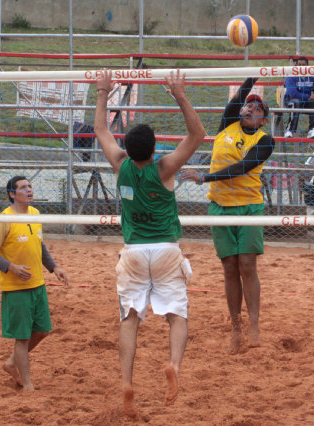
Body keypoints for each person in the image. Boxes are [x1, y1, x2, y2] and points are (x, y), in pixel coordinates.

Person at [94, 69, 205, 419]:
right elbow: (198, 134)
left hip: (134, 252)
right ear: (155, 148)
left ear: (127, 147)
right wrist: (180, 95)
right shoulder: (165, 168)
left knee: (129, 318)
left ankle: (127, 382)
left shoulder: (119, 164)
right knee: (177, 316)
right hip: (167, 250)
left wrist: (102, 92)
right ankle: (173, 364)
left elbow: (100, 129)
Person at [180, 78, 274, 355]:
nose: (250, 109)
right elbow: (237, 100)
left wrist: (204, 177)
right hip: (220, 206)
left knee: (247, 264)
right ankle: (236, 326)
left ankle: (254, 324)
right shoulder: (227, 125)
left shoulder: (264, 140)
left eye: (258, 109)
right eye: (249, 106)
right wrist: (251, 76)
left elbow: (243, 167)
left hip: (248, 207)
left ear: (264, 120)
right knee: (229, 267)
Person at [0, 176, 69, 391]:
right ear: (12, 194)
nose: (29, 190)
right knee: (21, 338)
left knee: (42, 331)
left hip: (38, 284)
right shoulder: (4, 219)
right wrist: (12, 267)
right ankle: (27, 384)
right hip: (16, 288)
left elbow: (40, 246)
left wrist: (54, 268)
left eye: (30, 186)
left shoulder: (35, 214)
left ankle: (12, 362)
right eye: (23, 188)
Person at [284, 56, 314, 139]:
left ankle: (313, 130)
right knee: (295, 102)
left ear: (308, 66)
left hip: (307, 101)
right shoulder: (291, 76)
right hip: (292, 100)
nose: (301, 67)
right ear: (296, 65)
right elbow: (293, 93)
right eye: (299, 64)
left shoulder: (312, 76)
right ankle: (289, 130)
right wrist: (308, 96)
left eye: (303, 65)